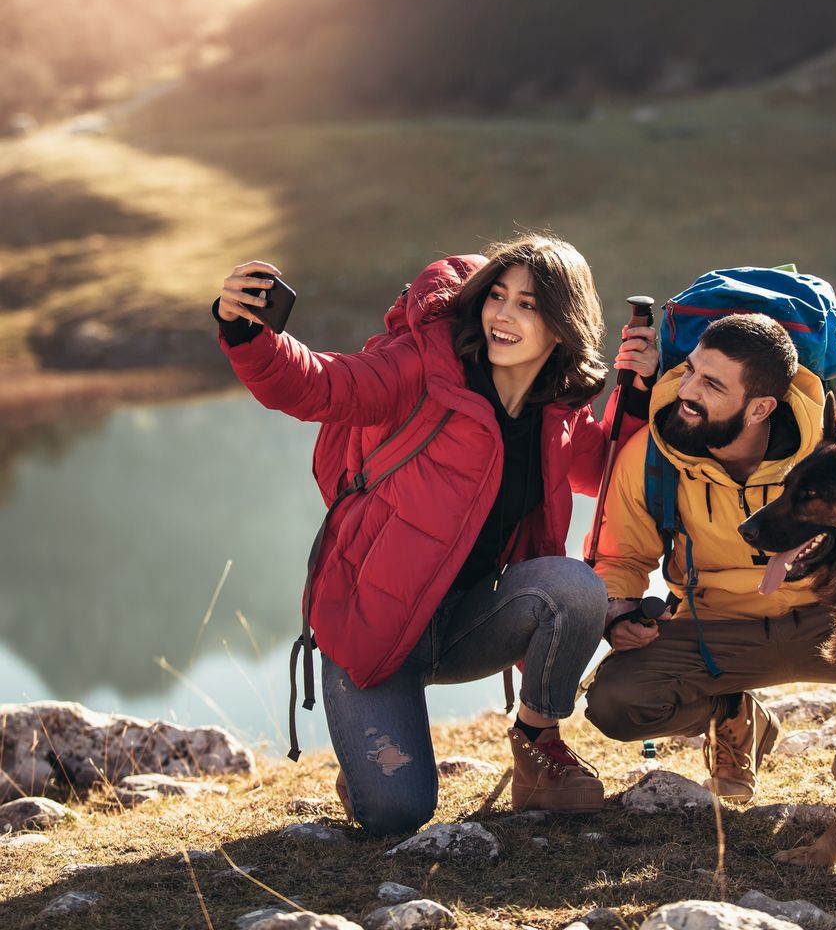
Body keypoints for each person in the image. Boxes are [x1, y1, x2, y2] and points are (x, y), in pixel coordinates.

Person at [214, 234, 658, 834]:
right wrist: (249, 333)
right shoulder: (425, 363)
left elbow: (600, 470)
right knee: (398, 813)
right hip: (373, 630)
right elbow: (323, 385)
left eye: (528, 305)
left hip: (465, 622)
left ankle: (537, 746)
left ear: (561, 324)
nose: (503, 315)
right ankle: (371, 760)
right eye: (497, 296)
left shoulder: (556, 407)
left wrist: (640, 391)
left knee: (574, 586)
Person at [585, 312, 836, 804]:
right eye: (688, 370)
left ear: (760, 409)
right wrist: (618, 613)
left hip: (832, 620)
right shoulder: (650, 455)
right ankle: (733, 713)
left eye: (711, 384)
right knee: (614, 703)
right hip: (716, 629)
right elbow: (620, 558)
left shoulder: (835, 448)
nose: (685, 390)